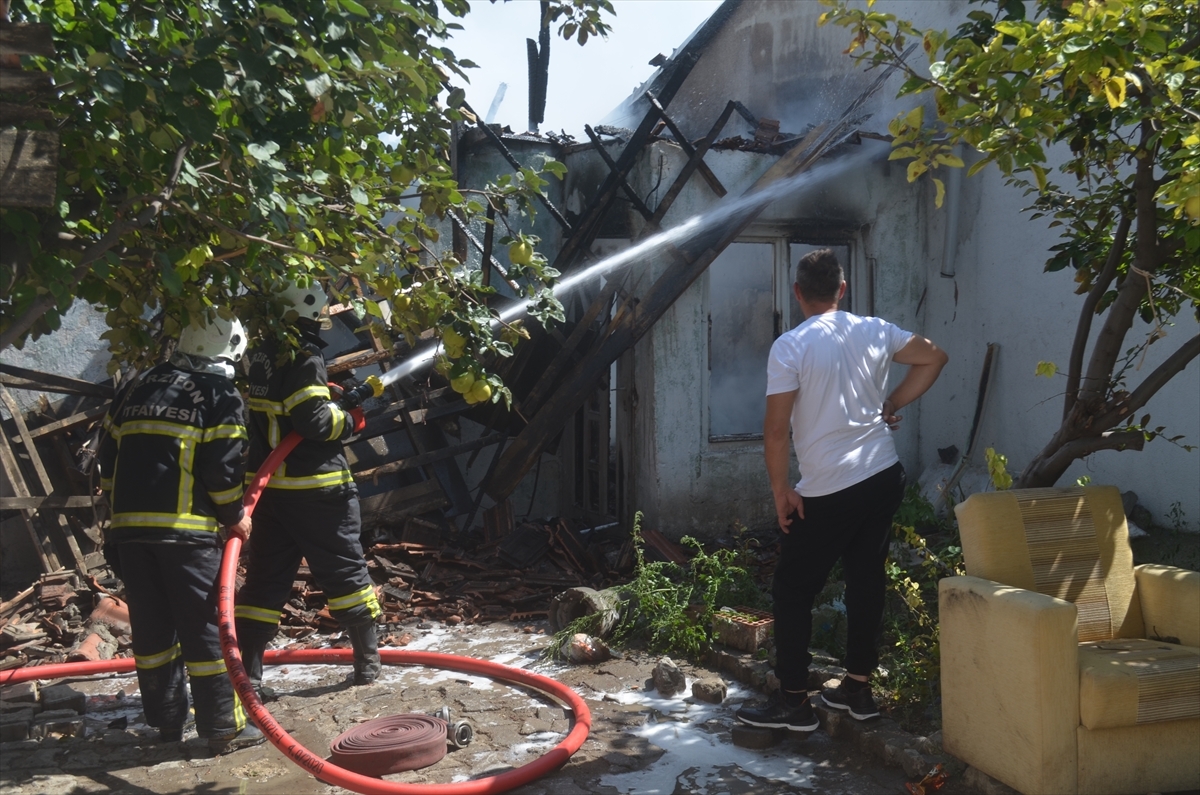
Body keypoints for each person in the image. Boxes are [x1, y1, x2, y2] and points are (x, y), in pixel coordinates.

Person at [736, 248, 948, 731]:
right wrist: (893, 401)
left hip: (831, 488)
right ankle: (857, 689)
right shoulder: (874, 329)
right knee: (865, 579)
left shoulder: (791, 346)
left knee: (792, 589)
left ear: (797, 294)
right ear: (842, 289)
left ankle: (793, 702)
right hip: (882, 476)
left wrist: (780, 489)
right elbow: (934, 356)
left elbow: (775, 430)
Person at [99, 315, 265, 754]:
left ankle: (167, 724)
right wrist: (234, 515)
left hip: (130, 533)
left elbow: (107, 454)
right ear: (230, 350)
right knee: (205, 631)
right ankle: (222, 729)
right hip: (186, 535)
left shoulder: (138, 385)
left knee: (152, 631)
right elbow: (221, 467)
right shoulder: (219, 394)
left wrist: (118, 515)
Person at [234, 279, 381, 696]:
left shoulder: (262, 352)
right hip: (317, 492)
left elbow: (288, 408)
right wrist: (350, 418)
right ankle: (368, 666)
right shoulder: (303, 353)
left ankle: (250, 675)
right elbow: (314, 423)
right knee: (344, 571)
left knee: (265, 580)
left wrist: (328, 397)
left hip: (270, 494)